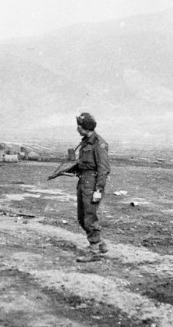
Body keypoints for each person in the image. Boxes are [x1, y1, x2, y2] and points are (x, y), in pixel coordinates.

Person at [48, 112, 110, 262]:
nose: (77, 128)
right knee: (81, 217)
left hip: (92, 183)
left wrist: (98, 190)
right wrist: (63, 172)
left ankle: (94, 251)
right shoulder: (85, 142)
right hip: (83, 182)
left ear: (85, 127)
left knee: (89, 217)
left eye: (79, 126)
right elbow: (82, 164)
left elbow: (104, 169)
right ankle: (100, 243)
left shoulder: (99, 144)